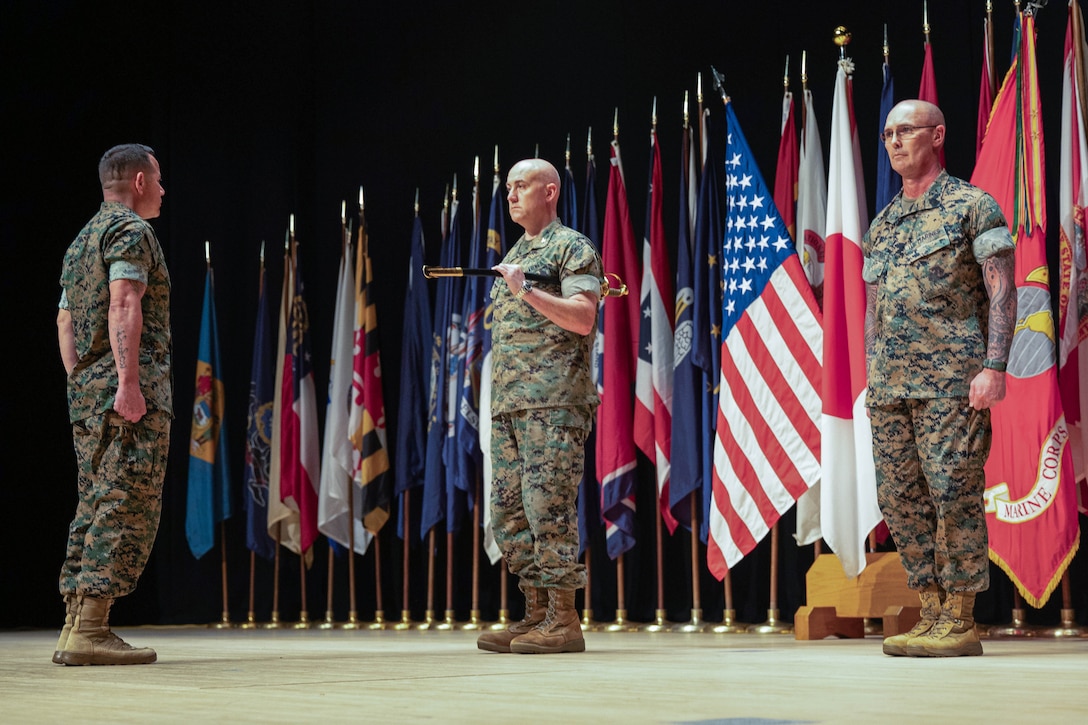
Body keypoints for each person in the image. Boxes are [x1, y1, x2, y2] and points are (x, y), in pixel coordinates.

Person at [863, 100, 1016, 657]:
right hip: (890, 387)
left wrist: (994, 366)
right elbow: (872, 308)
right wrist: (871, 375)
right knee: (900, 499)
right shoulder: (882, 224)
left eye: (906, 131)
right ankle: (929, 609)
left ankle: (961, 617)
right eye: (888, 134)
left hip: (953, 382)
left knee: (954, 494)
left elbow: (1002, 291)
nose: (895, 141)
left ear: (937, 135)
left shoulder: (971, 207)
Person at [476, 158, 601, 654]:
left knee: (547, 508)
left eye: (521, 186)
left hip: (554, 403)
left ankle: (565, 620)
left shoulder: (572, 247)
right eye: (507, 188)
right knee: (509, 513)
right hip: (511, 406)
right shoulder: (514, 253)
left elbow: (584, 317)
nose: (510, 195)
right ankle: (534, 614)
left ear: (549, 192)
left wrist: (525, 289)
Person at [54, 144, 172, 666]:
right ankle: (93, 630)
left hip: (87, 395)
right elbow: (124, 301)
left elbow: (63, 324)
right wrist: (125, 383)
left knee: (93, 502)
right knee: (125, 501)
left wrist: (84, 381)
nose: (164, 191)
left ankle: (75, 624)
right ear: (141, 181)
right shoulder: (131, 231)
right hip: (127, 395)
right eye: (160, 181)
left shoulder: (80, 240)